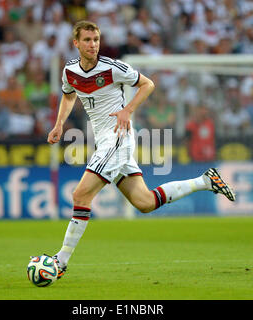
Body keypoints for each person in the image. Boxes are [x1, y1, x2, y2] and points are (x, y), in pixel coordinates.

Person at [45, 20, 236, 279]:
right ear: (76, 43)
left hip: (118, 137)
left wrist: (127, 111)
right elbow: (69, 95)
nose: (93, 45)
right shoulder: (69, 71)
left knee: (80, 196)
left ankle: (61, 262)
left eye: (96, 39)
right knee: (144, 203)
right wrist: (59, 124)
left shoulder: (113, 68)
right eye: (88, 40)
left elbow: (148, 84)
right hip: (104, 140)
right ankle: (205, 180)